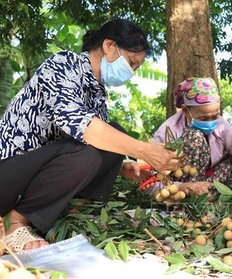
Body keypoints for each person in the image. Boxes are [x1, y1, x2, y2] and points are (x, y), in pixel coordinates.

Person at [0, 19, 180, 253]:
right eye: (132, 63)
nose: (131, 73)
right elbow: (83, 127)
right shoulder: (63, 64)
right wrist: (145, 150)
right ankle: (15, 223)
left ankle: (71, 213)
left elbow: (94, 146)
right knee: (96, 142)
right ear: (109, 45)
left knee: (113, 136)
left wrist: (124, 167)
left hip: (33, 179)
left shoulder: (97, 96)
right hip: (8, 175)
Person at [148, 77, 232, 196]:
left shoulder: (221, 125)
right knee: (194, 137)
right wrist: (182, 188)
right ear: (185, 110)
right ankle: (194, 201)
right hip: (181, 186)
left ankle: (225, 194)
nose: (211, 122)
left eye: (215, 116)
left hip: (212, 181)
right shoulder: (168, 131)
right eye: (204, 118)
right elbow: (151, 180)